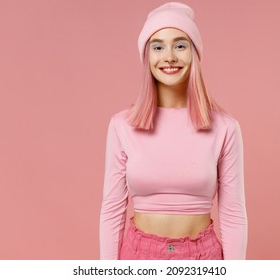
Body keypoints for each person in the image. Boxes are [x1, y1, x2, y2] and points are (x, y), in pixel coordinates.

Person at [100, 2, 247, 260]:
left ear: (195, 53)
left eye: (180, 45)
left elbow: (233, 214)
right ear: (147, 57)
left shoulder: (225, 128)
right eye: (158, 46)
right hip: (138, 256)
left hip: (203, 258)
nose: (169, 56)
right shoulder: (122, 126)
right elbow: (112, 210)